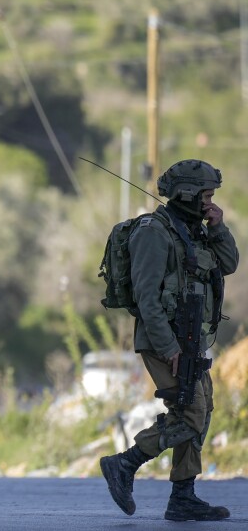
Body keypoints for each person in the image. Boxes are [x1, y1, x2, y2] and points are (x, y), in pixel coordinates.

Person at [100, 159, 239, 521]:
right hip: (166, 339)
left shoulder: (193, 229)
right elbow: (147, 298)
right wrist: (169, 347)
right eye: (206, 194)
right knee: (190, 415)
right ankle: (124, 463)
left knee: (201, 410)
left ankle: (183, 496)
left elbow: (229, 262)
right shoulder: (154, 231)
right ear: (188, 193)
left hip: (191, 339)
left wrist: (219, 226)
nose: (210, 201)